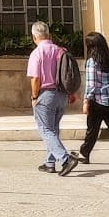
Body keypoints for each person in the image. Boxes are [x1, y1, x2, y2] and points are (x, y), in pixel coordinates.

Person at [26, 20, 78, 176]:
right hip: (61, 94)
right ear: (48, 34)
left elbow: (35, 78)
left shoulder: (37, 53)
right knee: (53, 129)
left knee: (46, 130)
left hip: (45, 94)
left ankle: (65, 159)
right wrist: (71, 92)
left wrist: (34, 96)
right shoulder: (60, 50)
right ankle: (50, 162)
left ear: (34, 37)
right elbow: (67, 74)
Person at [76, 31, 109, 167]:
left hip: (98, 101)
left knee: (92, 130)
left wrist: (86, 101)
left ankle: (84, 154)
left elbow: (91, 84)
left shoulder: (92, 62)